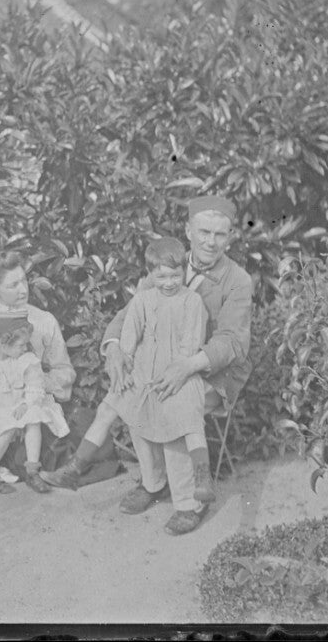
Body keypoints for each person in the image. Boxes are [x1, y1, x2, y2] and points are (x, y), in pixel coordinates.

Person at [43, 196, 253, 511]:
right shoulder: (166, 266)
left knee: (169, 403)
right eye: (204, 232)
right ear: (188, 230)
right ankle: (153, 483)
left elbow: (233, 342)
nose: (210, 242)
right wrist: (114, 348)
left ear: (230, 236)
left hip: (212, 372)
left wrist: (187, 366)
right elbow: (130, 314)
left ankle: (189, 503)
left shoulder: (237, 281)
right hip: (159, 365)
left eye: (220, 234)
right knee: (130, 391)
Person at [89, 237, 212, 534]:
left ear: (184, 270)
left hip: (183, 374)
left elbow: (189, 347)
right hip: (148, 375)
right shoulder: (144, 299)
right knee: (133, 405)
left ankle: (190, 501)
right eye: (161, 276)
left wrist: (173, 374)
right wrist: (126, 361)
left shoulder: (192, 301)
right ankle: (153, 482)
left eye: (174, 275)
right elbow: (130, 336)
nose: (169, 282)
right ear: (150, 274)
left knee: (175, 427)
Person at [0, 250, 77, 474]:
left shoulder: (44, 320)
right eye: (13, 285)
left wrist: (31, 390)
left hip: (32, 409)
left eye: (24, 281)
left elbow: (65, 372)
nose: (23, 289)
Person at [0, 311, 69, 495]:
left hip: (20, 404)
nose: (25, 348)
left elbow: (35, 387)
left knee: (34, 418)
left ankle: (32, 471)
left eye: (26, 344)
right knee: (6, 425)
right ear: (2, 344)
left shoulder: (26, 360)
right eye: (21, 345)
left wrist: (26, 403)